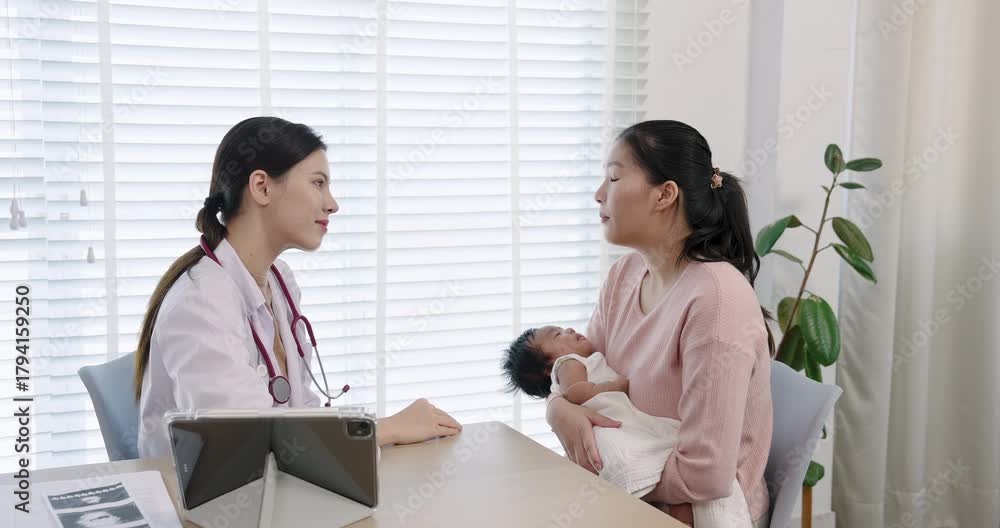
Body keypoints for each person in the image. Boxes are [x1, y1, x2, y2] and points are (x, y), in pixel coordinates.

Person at [134, 117, 461, 458]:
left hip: (274, 482)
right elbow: (250, 444)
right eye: (318, 183)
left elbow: (298, 417)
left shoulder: (279, 281)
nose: (332, 204)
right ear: (262, 187)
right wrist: (383, 429)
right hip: (203, 489)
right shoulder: (199, 302)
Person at [545, 120, 774, 527]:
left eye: (614, 177)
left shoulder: (716, 302)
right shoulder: (624, 275)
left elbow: (706, 476)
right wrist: (558, 410)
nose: (599, 194)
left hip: (699, 511)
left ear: (665, 194)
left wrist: (611, 472)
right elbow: (582, 370)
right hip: (633, 494)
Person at [502, 325, 754, 527]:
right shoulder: (568, 362)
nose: (569, 329)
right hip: (609, 429)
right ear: (549, 369)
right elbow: (577, 392)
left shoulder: (581, 359)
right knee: (659, 461)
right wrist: (615, 386)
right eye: (558, 334)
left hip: (618, 428)